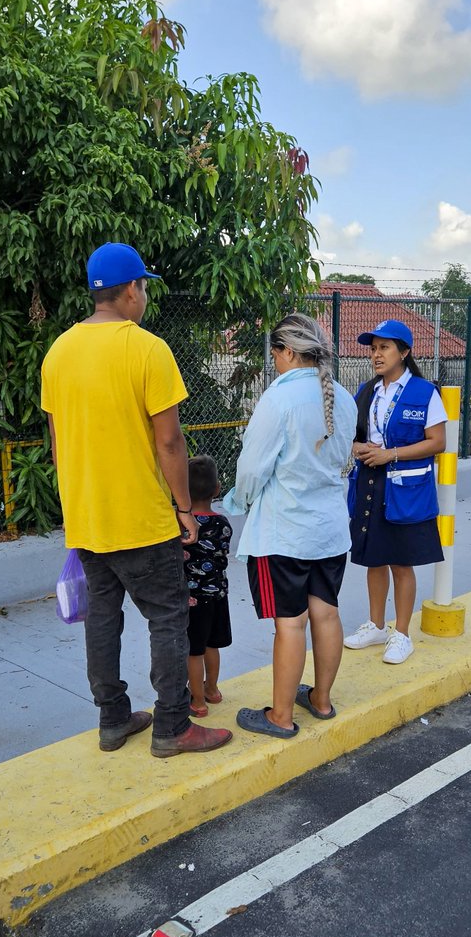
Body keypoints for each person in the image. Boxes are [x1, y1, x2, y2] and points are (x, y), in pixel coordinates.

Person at [40, 242, 232, 758]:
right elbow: (169, 442)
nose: (143, 295)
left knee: (103, 619)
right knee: (168, 618)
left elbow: (59, 450)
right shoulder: (148, 349)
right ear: (131, 291)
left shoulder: (57, 352)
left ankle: (113, 720)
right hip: (143, 520)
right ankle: (172, 726)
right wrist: (184, 508)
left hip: (88, 520)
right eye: (143, 286)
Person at [222, 313, 356, 738]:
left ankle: (280, 717)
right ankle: (321, 700)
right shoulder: (344, 397)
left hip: (286, 533)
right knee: (326, 613)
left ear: (289, 351)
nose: (274, 360)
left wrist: (238, 502)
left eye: (275, 352)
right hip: (331, 529)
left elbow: (251, 469)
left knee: (290, 622)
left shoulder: (278, 401)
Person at [343, 319, 447, 665]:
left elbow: (437, 442)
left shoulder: (424, 392)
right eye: (373, 348)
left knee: (401, 563)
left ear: (404, 352)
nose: (376, 354)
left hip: (405, 491)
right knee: (374, 559)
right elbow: (353, 436)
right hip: (369, 484)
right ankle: (376, 625)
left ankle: (401, 633)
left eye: (384, 348)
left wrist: (391, 454)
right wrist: (359, 448)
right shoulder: (366, 391)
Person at [183, 454, 232, 717]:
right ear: (217, 489)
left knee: (194, 651)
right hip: (218, 596)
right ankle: (212, 689)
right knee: (211, 646)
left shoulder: (181, 525)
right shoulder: (222, 524)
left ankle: (198, 701)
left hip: (193, 600)